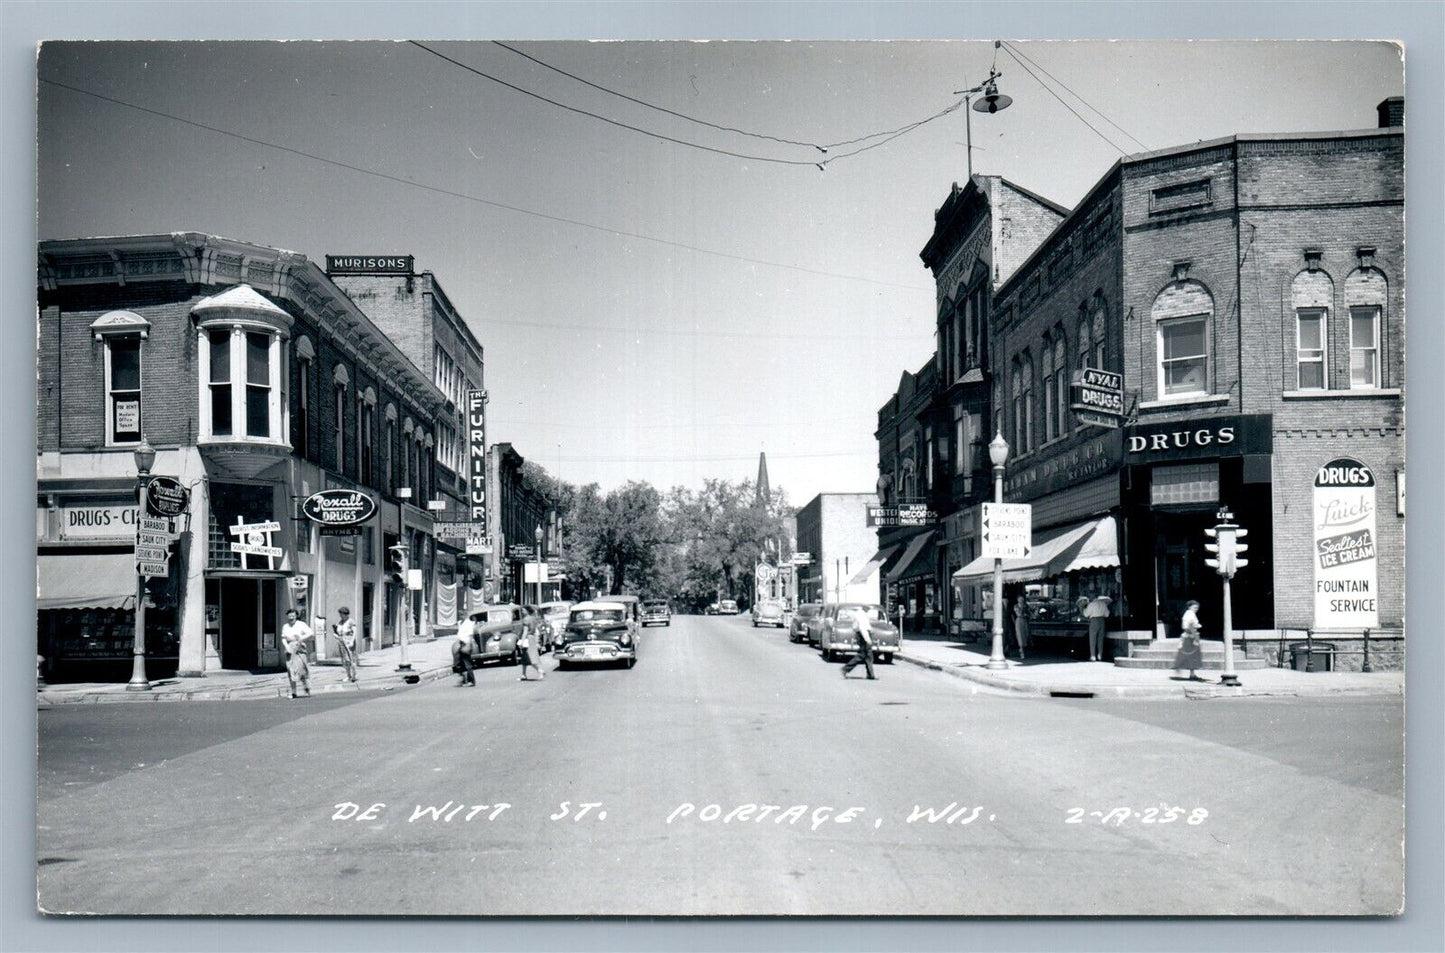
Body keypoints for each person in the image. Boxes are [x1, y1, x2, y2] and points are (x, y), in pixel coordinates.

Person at [279, 609, 313, 698]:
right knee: (290, 670)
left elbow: (311, 633)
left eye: (293, 616)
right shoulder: (285, 626)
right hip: (290, 648)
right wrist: (286, 646)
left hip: (300, 647)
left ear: (296, 616)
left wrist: (301, 638)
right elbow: (283, 638)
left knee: (302, 669)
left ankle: (306, 688)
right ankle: (293, 692)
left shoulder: (301, 624)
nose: (291, 617)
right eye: (289, 616)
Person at [841, 607, 877, 680]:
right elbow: (863, 628)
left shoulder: (861, 614)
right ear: (864, 607)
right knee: (865, 655)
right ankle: (846, 669)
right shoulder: (861, 615)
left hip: (862, 634)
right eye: (868, 608)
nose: (869, 609)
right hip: (863, 635)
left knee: (866, 655)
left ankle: (870, 674)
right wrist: (867, 639)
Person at [1174, 600, 1206, 681]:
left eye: (1197, 607)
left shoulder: (1192, 614)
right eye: (1195, 607)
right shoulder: (1189, 614)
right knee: (1189, 655)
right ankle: (1180, 667)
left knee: (1193, 656)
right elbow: (1186, 626)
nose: (1196, 609)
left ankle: (1192, 673)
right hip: (1190, 636)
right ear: (1189, 607)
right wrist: (1193, 635)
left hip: (1192, 635)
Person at [1083, 590, 1113, 662]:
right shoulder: (1103, 604)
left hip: (1094, 621)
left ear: (1092, 596)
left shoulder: (1091, 604)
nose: (1089, 597)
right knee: (1100, 639)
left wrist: (1083, 608)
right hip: (1102, 621)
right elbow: (1107, 614)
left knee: (1093, 639)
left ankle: (1093, 656)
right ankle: (1100, 655)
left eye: (1089, 596)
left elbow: (1086, 614)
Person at [517, 609, 545, 681]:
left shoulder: (526, 620)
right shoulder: (533, 619)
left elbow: (525, 631)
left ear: (527, 611)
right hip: (531, 638)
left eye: (523, 611)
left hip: (527, 639)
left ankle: (540, 671)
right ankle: (524, 674)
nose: (521, 612)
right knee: (524, 657)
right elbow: (536, 630)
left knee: (529, 657)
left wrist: (522, 641)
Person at [333, 606, 358, 683]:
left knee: (351, 659)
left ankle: (354, 675)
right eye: (340, 614)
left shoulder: (351, 621)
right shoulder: (339, 622)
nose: (340, 615)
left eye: (341, 614)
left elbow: (354, 632)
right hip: (341, 641)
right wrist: (336, 636)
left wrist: (352, 641)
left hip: (349, 641)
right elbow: (337, 632)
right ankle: (348, 675)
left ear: (345, 614)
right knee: (345, 660)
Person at [453, 615, 476, 687]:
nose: (459, 617)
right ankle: (463, 680)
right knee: (459, 663)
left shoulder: (468, 623)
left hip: (466, 644)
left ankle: (471, 681)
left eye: (461, 615)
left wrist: (469, 645)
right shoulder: (460, 623)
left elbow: (470, 635)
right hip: (460, 644)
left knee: (467, 663)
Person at [1012, 593, 1031, 662]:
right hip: (1019, 620)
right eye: (1020, 599)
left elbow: (1029, 613)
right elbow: (1019, 613)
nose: (1021, 600)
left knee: (1025, 634)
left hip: (1025, 621)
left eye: (1022, 599)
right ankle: (1021, 650)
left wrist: (1027, 614)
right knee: (1020, 635)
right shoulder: (1016, 606)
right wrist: (1024, 613)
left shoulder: (1026, 605)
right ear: (1018, 600)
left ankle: (1023, 649)